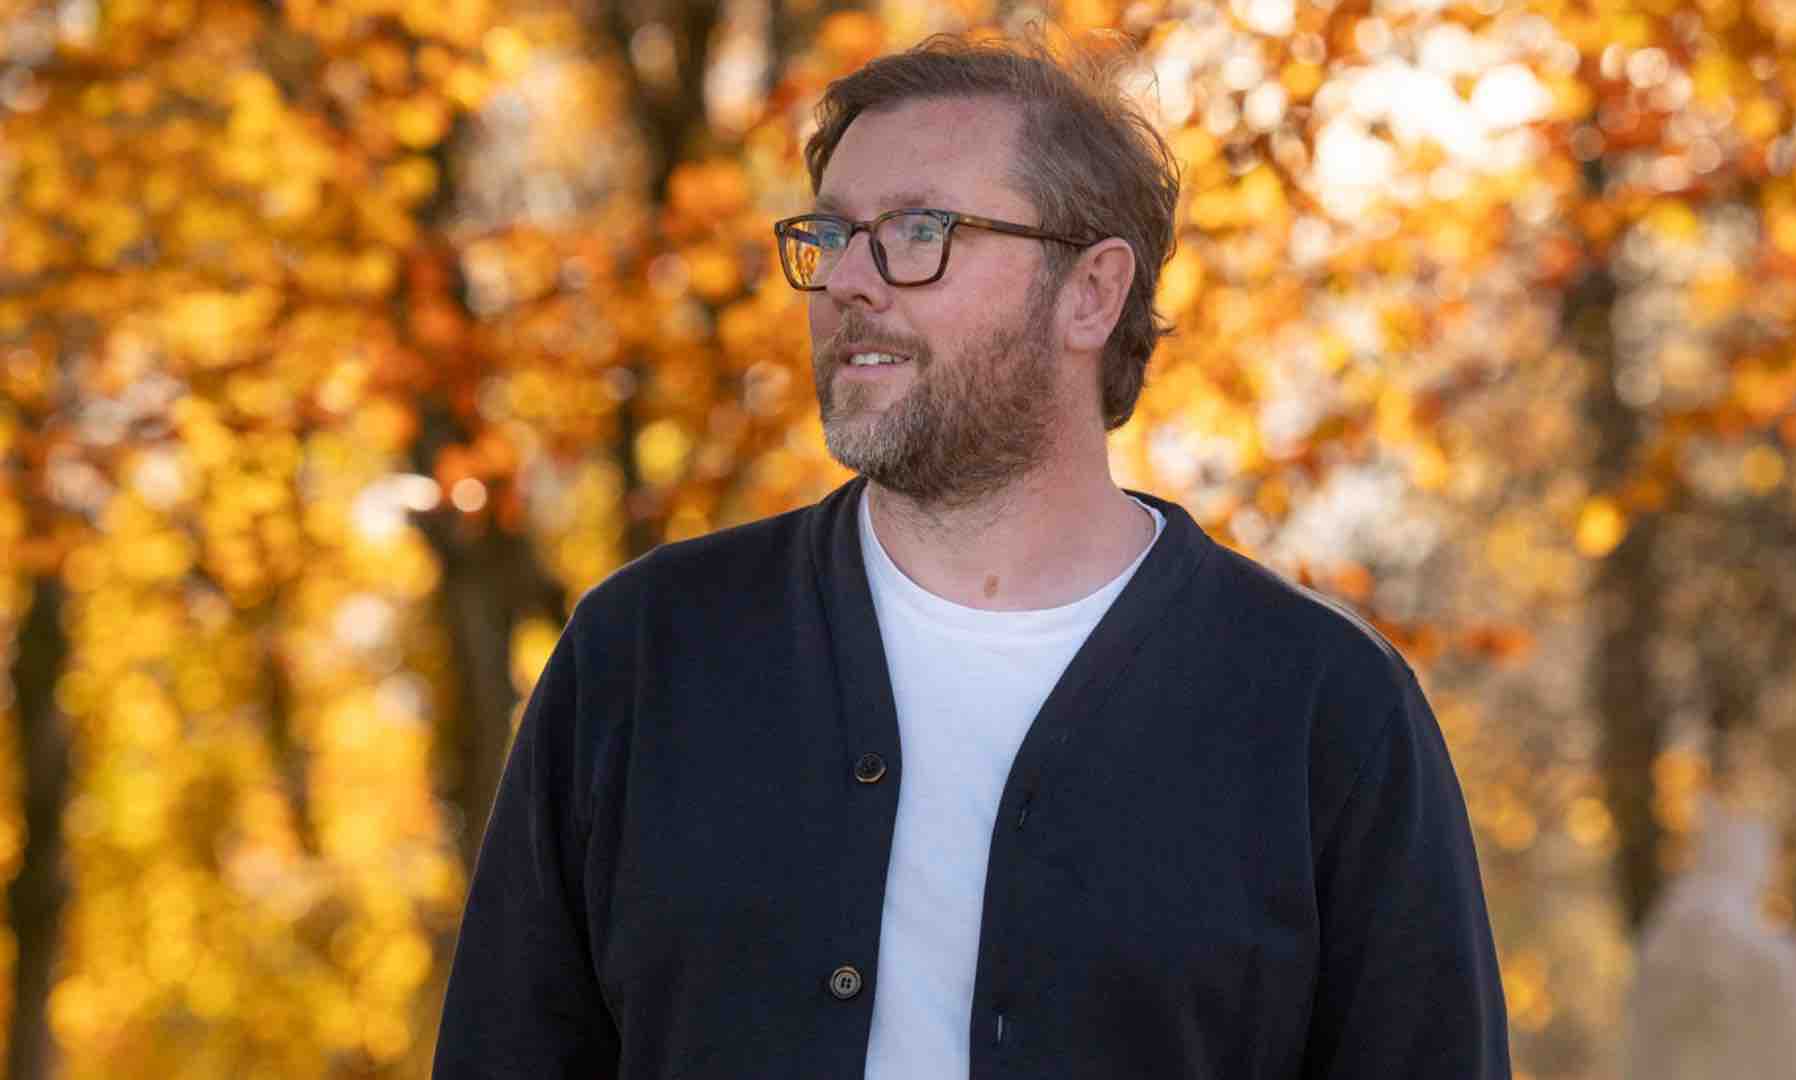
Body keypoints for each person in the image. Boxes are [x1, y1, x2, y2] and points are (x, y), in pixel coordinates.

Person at [432, 33, 1509, 1080]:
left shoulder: (1324, 712)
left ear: (1091, 292)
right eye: (834, 234)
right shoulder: (648, 654)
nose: (851, 279)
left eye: (918, 231)